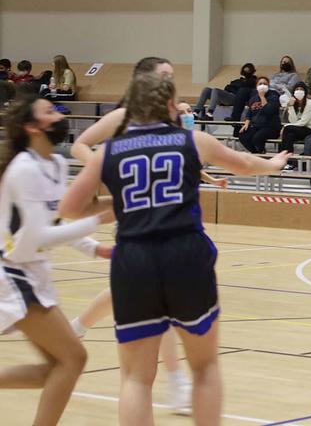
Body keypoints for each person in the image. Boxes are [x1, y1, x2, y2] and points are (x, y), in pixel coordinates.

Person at [60, 72, 288, 425]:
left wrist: (118, 202)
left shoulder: (107, 152)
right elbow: (242, 164)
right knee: (205, 367)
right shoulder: (192, 140)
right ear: (169, 104)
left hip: (134, 259)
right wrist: (273, 164)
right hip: (185, 254)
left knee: (136, 378)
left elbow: (71, 209)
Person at [69, 56, 210, 414]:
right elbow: (80, 145)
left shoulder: (170, 118)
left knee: (136, 293)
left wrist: (203, 174)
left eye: (172, 76)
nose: (171, 82)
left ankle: (79, 325)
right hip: (137, 216)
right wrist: (105, 171)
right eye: (165, 76)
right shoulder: (123, 116)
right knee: (155, 304)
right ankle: (177, 382)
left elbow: (182, 155)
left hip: (172, 219)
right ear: (145, 80)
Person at [0, 94, 114, 426]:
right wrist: (99, 221)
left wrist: (94, 247)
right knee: (73, 358)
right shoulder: (23, 168)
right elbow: (37, 236)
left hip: (33, 273)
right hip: (13, 275)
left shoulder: (56, 164)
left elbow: (60, 217)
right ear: (31, 126)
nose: (58, 115)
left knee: (57, 368)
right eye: (49, 112)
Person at [278, 82, 311, 171]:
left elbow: (303, 122)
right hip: (301, 129)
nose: (299, 91)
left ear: (305, 92)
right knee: (290, 135)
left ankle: (282, 159)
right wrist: (290, 106)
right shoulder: (294, 104)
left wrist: (286, 126)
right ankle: (289, 162)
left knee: (287, 129)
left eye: (301, 90)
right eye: (297, 90)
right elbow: (294, 121)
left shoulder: (310, 103)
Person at [238, 77, 282, 154]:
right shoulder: (253, 98)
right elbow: (249, 112)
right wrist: (246, 123)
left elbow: (269, 110)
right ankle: (257, 153)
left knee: (257, 138)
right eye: (260, 84)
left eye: (265, 84)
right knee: (243, 135)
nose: (262, 85)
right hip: (256, 126)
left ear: (268, 85)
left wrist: (262, 97)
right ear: (256, 86)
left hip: (271, 127)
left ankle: (261, 152)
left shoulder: (274, 96)